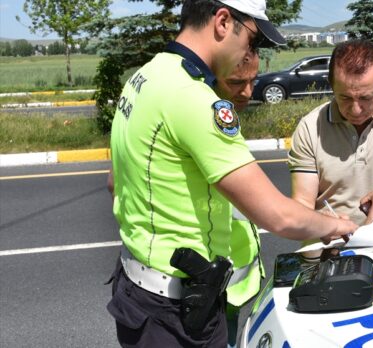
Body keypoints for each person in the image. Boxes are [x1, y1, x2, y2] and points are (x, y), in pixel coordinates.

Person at [106, 1, 358, 347]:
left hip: (137, 297)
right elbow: (277, 216)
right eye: (253, 41)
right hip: (178, 313)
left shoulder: (146, 77)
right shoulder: (192, 98)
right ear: (223, 21)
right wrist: (338, 225)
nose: (249, 53)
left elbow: (114, 183)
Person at [288, 39, 373, 226]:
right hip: (327, 246)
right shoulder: (310, 127)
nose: (356, 110)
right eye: (344, 98)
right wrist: (320, 221)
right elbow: (302, 203)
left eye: (366, 98)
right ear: (331, 85)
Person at [214, 51, 261, 347]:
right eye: (236, 82)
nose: (247, 91)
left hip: (230, 280)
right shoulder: (210, 119)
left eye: (253, 81)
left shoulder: (225, 115)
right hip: (213, 280)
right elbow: (270, 211)